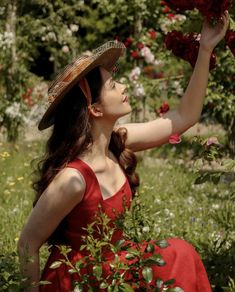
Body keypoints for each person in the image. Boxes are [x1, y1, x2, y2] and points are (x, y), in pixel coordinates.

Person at [18, 11, 229, 292]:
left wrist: (205, 48)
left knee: (179, 254)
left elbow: (184, 116)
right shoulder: (73, 179)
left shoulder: (117, 142)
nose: (124, 86)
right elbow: (27, 244)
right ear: (94, 108)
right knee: (176, 254)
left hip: (117, 266)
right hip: (85, 280)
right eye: (113, 85)